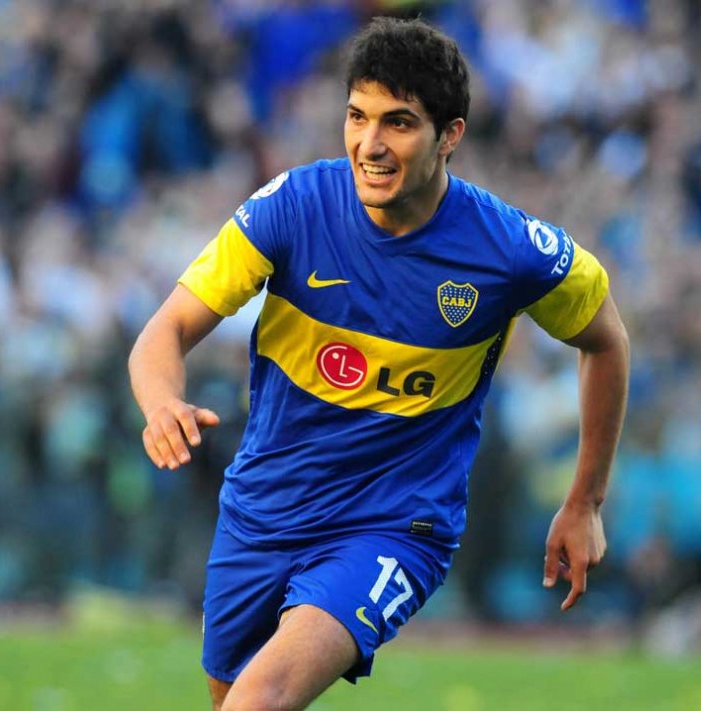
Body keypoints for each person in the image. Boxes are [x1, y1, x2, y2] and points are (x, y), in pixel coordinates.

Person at [129, 16, 629, 711]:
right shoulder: (293, 208)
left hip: (392, 525)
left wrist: (585, 501)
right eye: (357, 116)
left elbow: (605, 341)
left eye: (398, 123)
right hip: (262, 510)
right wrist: (162, 402)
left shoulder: (510, 250)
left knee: (258, 702)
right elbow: (166, 329)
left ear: (449, 135)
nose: (370, 143)